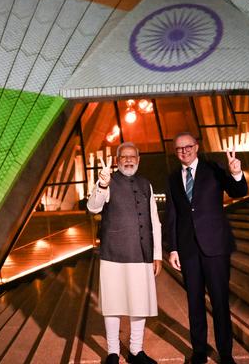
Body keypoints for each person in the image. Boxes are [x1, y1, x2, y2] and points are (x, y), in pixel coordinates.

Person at [164, 132, 248, 364]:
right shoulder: (172, 178)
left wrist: (236, 173)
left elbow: (238, 191)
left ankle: (226, 353)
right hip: (188, 250)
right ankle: (199, 351)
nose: (184, 151)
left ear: (197, 147)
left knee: (220, 302)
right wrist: (173, 249)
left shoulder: (214, 168)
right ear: (175, 152)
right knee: (194, 302)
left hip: (216, 247)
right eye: (179, 148)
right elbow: (172, 215)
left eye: (188, 146)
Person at [87, 142, 162, 364]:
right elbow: (93, 207)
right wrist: (102, 185)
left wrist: (157, 254)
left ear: (138, 160)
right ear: (117, 160)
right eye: (124, 157)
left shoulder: (146, 184)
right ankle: (112, 352)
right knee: (113, 304)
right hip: (113, 255)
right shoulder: (108, 181)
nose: (128, 160)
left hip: (142, 254)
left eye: (132, 157)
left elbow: (154, 222)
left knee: (139, 303)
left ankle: (136, 351)